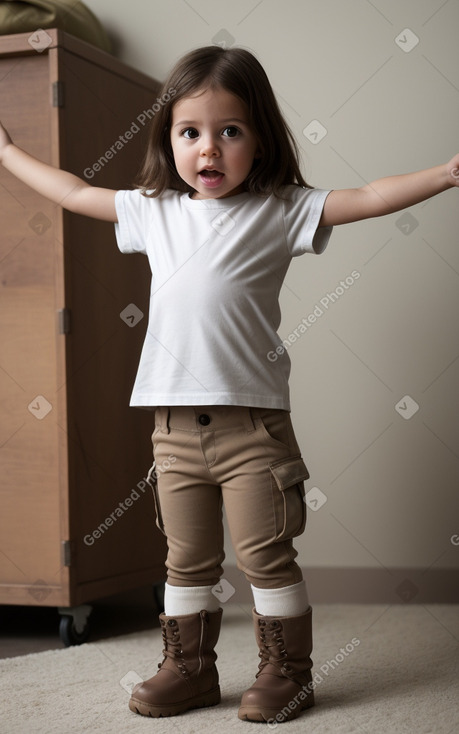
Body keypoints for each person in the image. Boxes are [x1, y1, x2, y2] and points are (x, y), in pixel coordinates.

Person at [1, 44, 457, 725]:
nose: (207, 150)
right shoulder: (154, 211)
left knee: (266, 555)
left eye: (229, 131)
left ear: (258, 139)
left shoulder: (279, 210)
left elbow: (364, 197)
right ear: (168, 140)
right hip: (173, 430)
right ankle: (187, 669)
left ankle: (286, 672)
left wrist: (446, 174)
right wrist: (6, 154)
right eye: (190, 133)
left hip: (253, 427)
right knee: (183, 560)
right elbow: (72, 190)